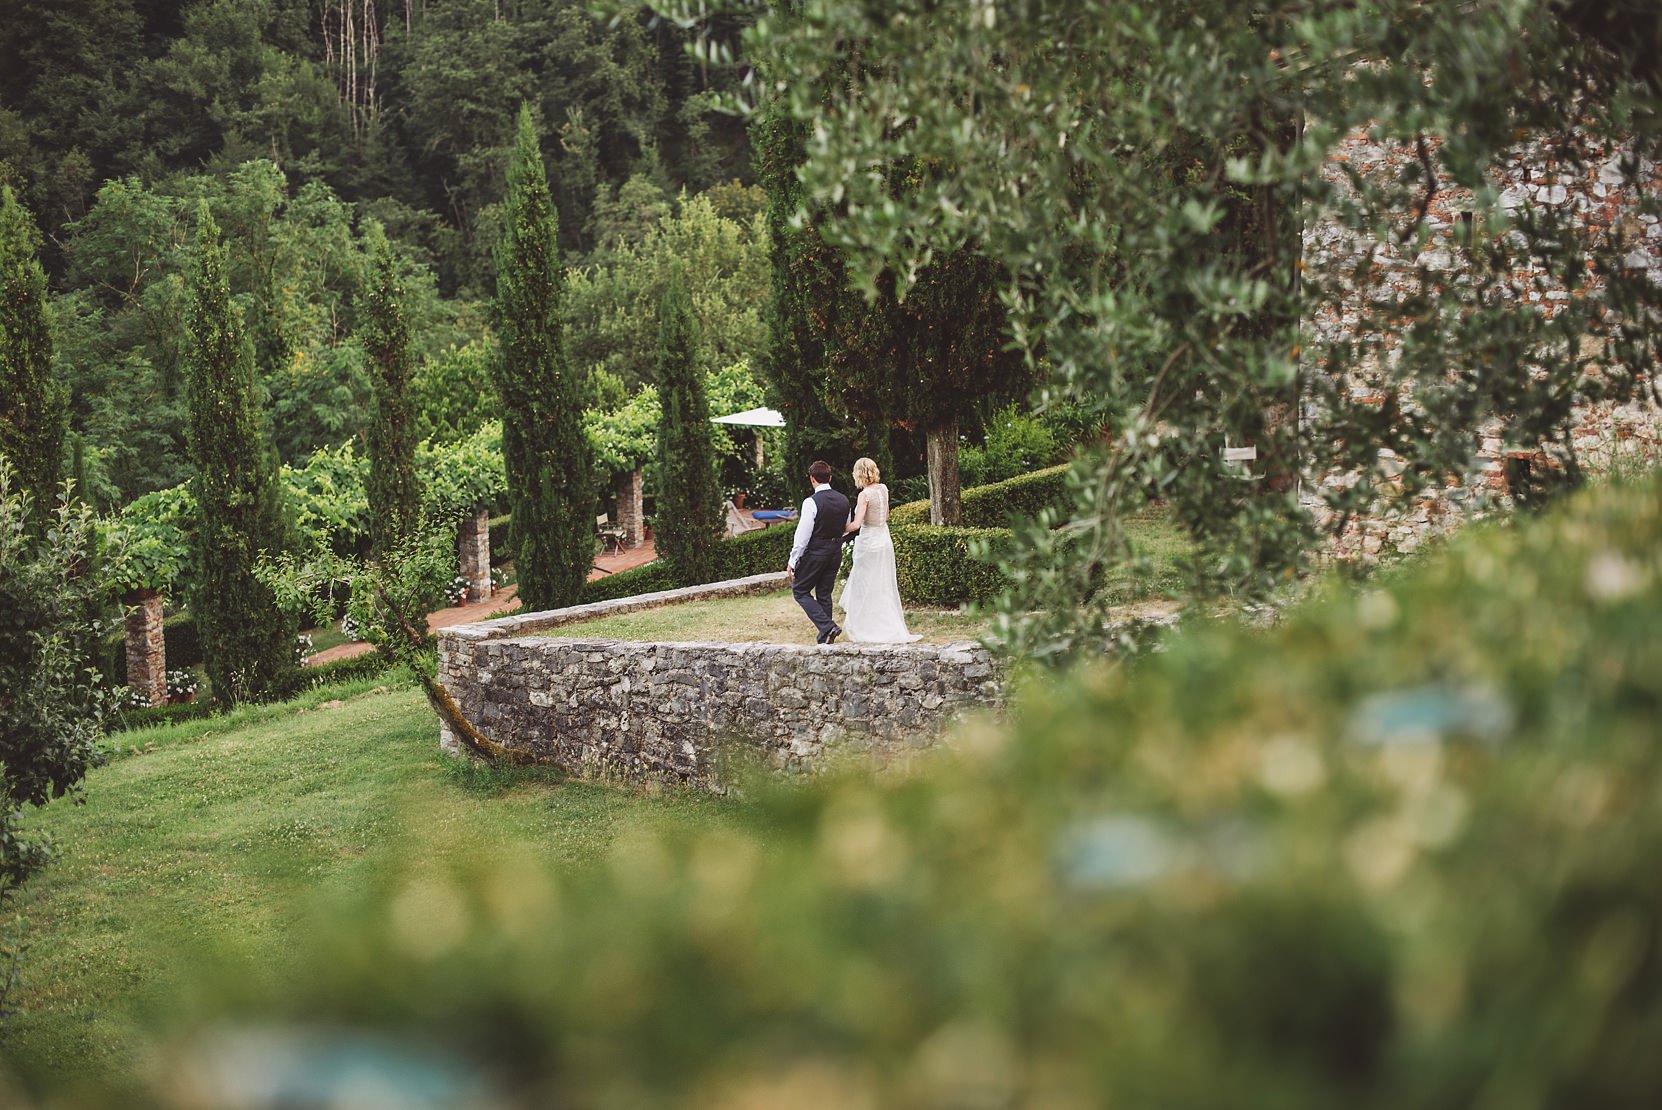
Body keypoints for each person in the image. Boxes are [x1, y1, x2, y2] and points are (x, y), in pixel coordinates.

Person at [840, 457, 921, 643]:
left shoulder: (864, 495)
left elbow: (857, 524)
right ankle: (886, 622)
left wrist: (839, 528)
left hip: (868, 542)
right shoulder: (883, 489)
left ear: (859, 473)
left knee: (864, 583)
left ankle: (866, 625)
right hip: (883, 538)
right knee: (882, 583)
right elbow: (886, 515)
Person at [785, 459, 852, 644]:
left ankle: (827, 626)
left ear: (812, 479)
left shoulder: (811, 502)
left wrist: (793, 560)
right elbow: (845, 527)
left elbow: (803, 535)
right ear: (830, 477)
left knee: (800, 590)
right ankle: (825, 637)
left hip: (817, 551)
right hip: (836, 550)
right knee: (824, 592)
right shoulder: (844, 499)